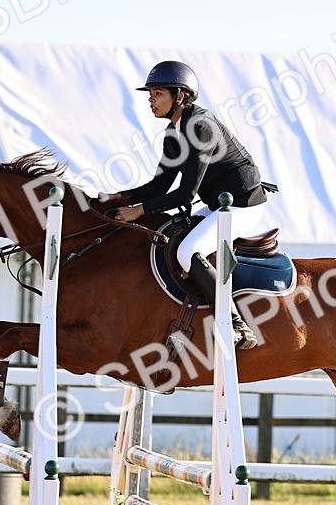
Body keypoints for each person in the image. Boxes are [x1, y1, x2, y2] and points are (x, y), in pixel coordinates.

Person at [100, 61, 272, 349]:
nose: (150, 100)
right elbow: (158, 186)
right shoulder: (173, 133)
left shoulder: (199, 126)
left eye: (157, 94)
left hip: (243, 205)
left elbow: (184, 194)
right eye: (150, 94)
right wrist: (117, 198)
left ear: (181, 96)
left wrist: (140, 210)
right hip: (220, 205)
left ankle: (237, 324)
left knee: (188, 251)